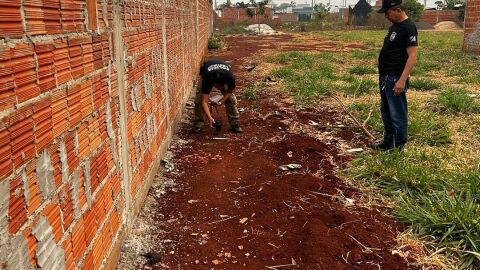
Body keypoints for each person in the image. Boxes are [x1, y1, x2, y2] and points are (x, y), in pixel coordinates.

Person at [369, 0, 418, 151]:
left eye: (387, 13)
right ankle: (388, 142)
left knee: (397, 114)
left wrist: (402, 80)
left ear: (397, 10)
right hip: (385, 77)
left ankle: (398, 147)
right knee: (386, 112)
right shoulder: (395, 27)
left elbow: (412, 56)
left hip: (396, 77)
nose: (386, 16)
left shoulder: (409, 28)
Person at [192, 59, 243, 133]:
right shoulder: (207, 79)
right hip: (207, 71)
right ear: (213, 83)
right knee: (199, 98)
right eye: (217, 86)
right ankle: (198, 123)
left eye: (220, 87)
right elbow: (204, 101)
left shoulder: (230, 77)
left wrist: (220, 102)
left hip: (224, 71)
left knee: (231, 99)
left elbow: (230, 92)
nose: (218, 88)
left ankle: (234, 123)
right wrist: (210, 117)